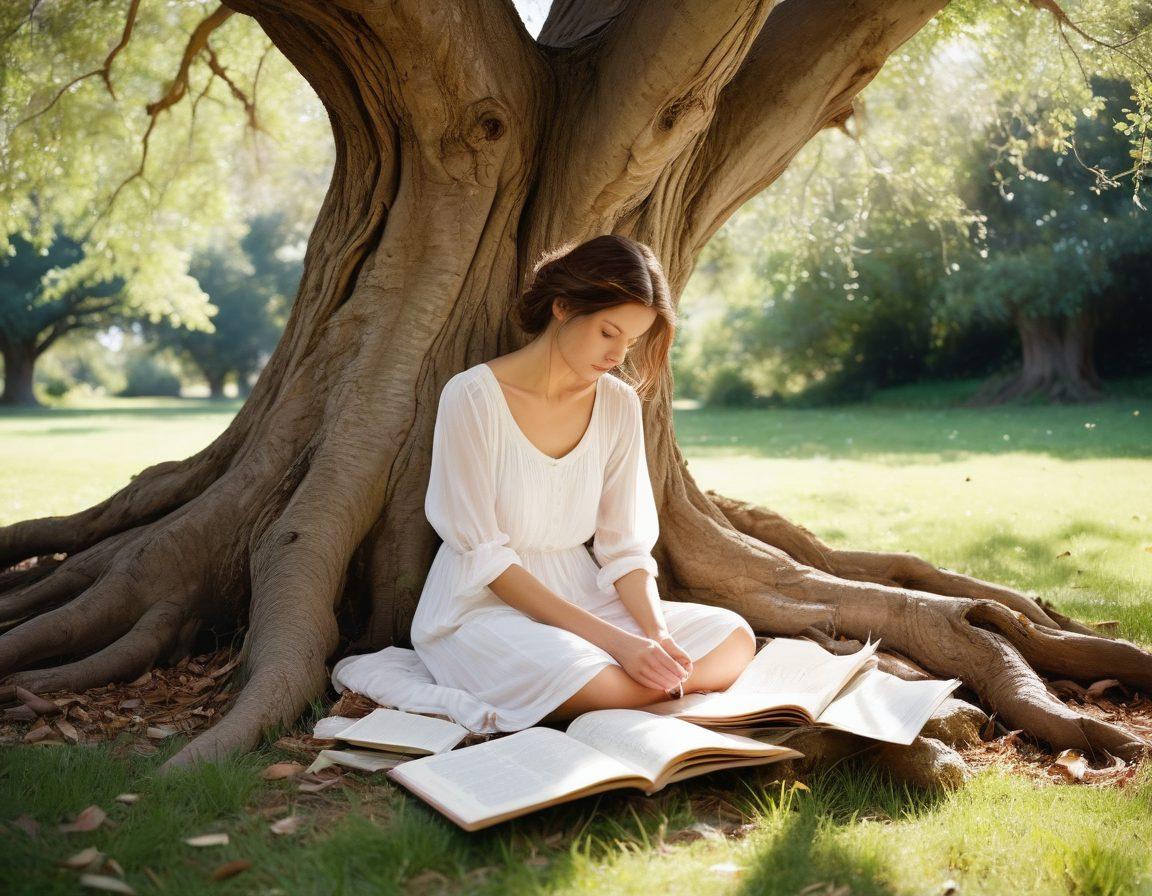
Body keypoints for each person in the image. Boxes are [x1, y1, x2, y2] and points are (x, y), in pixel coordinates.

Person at [410, 234, 756, 731]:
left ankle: (625, 686)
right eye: (608, 333)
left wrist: (654, 636)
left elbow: (625, 547)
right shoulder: (473, 397)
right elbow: (482, 554)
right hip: (482, 604)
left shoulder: (618, 404)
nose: (618, 355)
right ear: (563, 307)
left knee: (733, 637)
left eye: (632, 342)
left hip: (581, 593)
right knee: (580, 676)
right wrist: (617, 643)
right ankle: (624, 687)